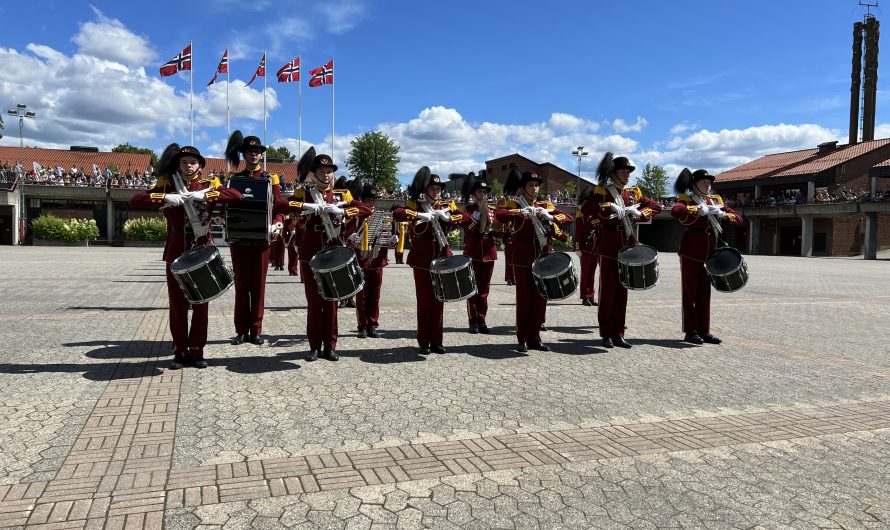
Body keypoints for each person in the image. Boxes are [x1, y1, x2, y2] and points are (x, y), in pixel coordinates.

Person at [130, 145, 242, 368]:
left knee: (202, 303)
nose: (188, 165)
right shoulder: (168, 185)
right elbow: (137, 199)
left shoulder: (209, 185)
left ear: (200, 165)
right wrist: (165, 198)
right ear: (178, 164)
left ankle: (197, 350)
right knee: (177, 304)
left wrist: (205, 194)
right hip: (175, 250)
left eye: (192, 162)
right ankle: (179, 350)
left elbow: (235, 195)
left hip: (200, 249)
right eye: (184, 162)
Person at [284, 153, 371, 361]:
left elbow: (365, 209)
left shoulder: (342, 195)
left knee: (332, 302)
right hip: (310, 255)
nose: (326, 175)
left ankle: (330, 345)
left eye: (329, 172)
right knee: (314, 303)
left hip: (333, 254)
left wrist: (342, 211)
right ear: (314, 174)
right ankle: (314, 346)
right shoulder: (303, 193)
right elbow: (281, 206)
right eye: (322, 171)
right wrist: (308, 207)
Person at [584, 153, 662, 349]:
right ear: (613, 173)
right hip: (609, 243)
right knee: (608, 290)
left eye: (628, 172)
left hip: (627, 244)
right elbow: (587, 210)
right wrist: (609, 208)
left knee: (622, 291)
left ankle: (619, 333)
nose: (627, 175)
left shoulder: (633, 193)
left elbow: (655, 206)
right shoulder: (603, 192)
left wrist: (639, 212)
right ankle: (606, 333)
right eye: (623, 171)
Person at [393, 168, 471, 355]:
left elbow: (467, 218)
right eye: (433, 188)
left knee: (439, 300)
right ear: (425, 190)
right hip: (422, 258)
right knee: (424, 301)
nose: (436, 192)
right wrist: (420, 216)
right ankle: (424, 341)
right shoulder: (416, 205)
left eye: (438, 188)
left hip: (442, 257)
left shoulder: (446, 205)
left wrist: (449, 217)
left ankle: (437, 340)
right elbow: (397, 213)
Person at [495, 169, 573, 352]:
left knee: (541, 297)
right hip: (523, 255)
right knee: (525, 298)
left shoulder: (545, 204)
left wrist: (549, 215)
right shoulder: (515, 204)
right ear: (523, 188)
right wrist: (522, 212)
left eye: (537, 185)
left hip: (542, 254)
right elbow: (500, 215)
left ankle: (535, 338)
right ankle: (522, 338)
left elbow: (567, 217)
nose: (535, 189)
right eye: (531, 185)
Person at [671, 169, 744, 345]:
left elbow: (739, 218)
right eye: (704, 182)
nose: (708, 185)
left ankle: (704, 330)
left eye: (709, 182)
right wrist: (698, 210)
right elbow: (676, 210)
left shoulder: (715, 201)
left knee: (705, 294)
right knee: (689, 293)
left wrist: (723, 214)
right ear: (694, 184)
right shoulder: (687, 199)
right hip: (691, 252)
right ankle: (690, 331)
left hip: (711, 253)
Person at [225, 131, 284, 346]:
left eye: (257, 152)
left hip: (261, 239)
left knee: (258, 286)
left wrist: (277, 222)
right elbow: (226, 206)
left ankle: (255, 330)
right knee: (241, 284)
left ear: (261, 155)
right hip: (240, 239)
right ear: (244, 155)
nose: (254, 155)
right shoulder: (234, 179)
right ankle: (241, 330)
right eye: (250, 152)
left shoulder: (270, 178)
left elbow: (278, 205)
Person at [347, 183, 399, 338]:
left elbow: (388, 236)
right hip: (361, 259)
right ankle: (362, 325)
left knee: (375, 295)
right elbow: (348, 233)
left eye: (373, 200)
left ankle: (373, 325)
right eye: (368, 200)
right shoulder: (356, 215)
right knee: (361, 295)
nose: (371, 203)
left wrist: (392, 240)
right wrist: (351, 238)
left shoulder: (383, 216)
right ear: (362, 199)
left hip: (377, 260)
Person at [461, 175, 497, 334]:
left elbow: (498, 229)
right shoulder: (467, 210)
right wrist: (475, 220)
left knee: (484, 290)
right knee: (472, 289)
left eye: (485, 191)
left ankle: (482, 319)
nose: (483, 194)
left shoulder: (492, 210)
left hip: (488, 252)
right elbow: (467, 232)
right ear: (474, 193)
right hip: (473, 252)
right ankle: (472, 320)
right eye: (480, 191)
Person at [575, 187, 599, 306]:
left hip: (595, 248)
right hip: (585, 248)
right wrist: (578, 248)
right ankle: (585, 296)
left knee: (592, 274)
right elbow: (578, 232)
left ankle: (591, 296)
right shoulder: (581, 214)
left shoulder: (596, 214)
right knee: (585, 274)